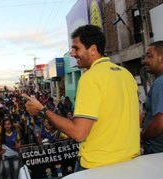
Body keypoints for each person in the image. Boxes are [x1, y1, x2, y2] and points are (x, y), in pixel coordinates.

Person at [22, 24, 140, 171]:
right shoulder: (126, 74)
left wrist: (42, 109)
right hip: (130, 162)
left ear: (93, 50)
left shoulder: (89, 78)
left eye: (76, 48)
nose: (72, 53)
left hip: (97, 166)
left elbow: (78, 133)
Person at [141, 41, 163, 154]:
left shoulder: (160, 83)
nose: (145, 61)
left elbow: (160, 121)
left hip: (157, 151)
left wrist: (142, 136)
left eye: (149, 56)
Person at [0, 115, 21, 179]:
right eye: (5, 124)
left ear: (11, 125)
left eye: (9, 124)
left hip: (15, 156)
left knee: (15, 175)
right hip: (5, 157)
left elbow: (18, 140)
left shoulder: (15, 132)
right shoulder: (0, 135)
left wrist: (18, 144)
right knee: (7, 176)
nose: (7, 126)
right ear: (3, 126)